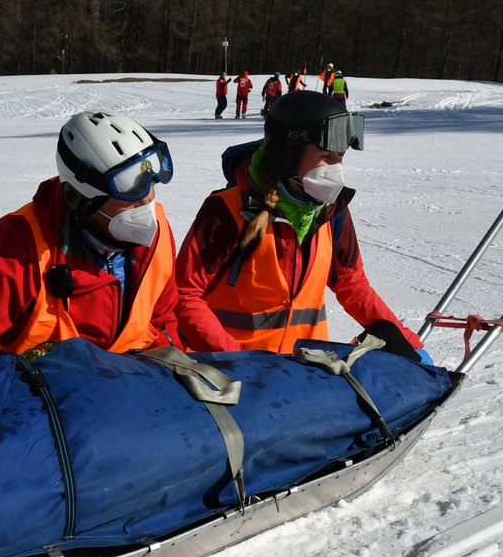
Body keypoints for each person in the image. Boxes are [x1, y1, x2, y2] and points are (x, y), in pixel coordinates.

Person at [174, 91, 428, 360]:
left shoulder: (333, 212)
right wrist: (237, 359)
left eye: (339, 157)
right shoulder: (227, 211)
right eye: (325, 157)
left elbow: (353, 287)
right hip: (231, 375)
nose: (335, 168)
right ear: (288, 156)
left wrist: (409, 342)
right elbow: (184, 295)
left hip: (303, 374)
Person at [0, 111, 180, 364]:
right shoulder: (18, 244)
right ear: (85, 199)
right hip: (38, 403)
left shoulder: (156, 234)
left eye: (151, 179)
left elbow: (162, 320)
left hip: (130, 397)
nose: (147, 199)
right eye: (129, 188)